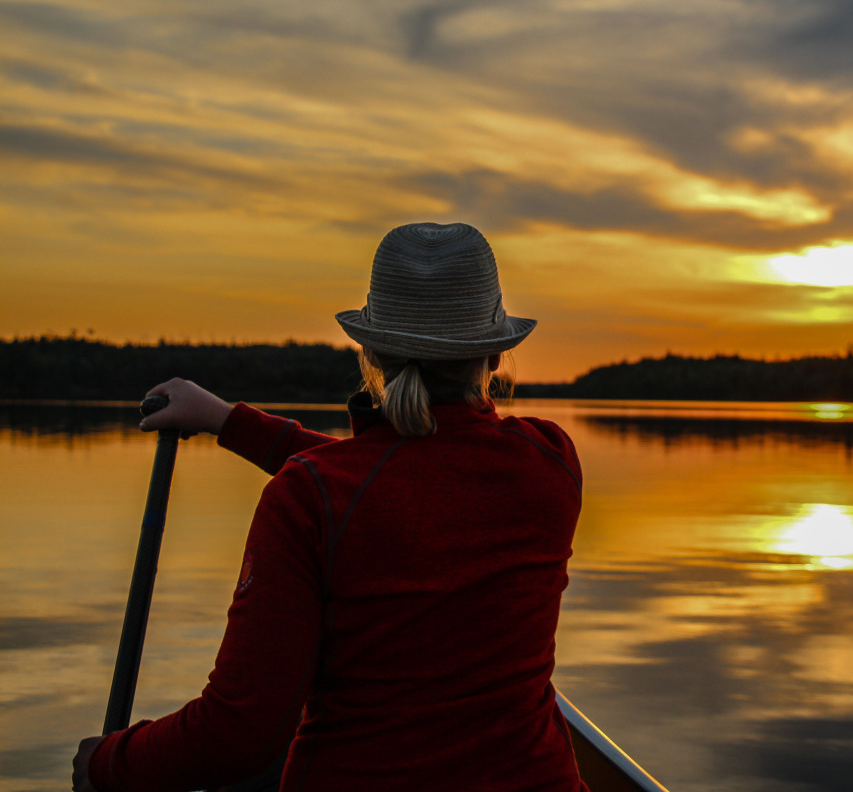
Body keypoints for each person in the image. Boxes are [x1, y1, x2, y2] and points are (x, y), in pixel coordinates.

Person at [73, 222, 587, 791]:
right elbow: (406, 483)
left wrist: (105, 764)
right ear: (495, 356)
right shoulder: (552, 463)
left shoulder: (311, 498)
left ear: (368, 351)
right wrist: (227, 419)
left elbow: (238, 736)